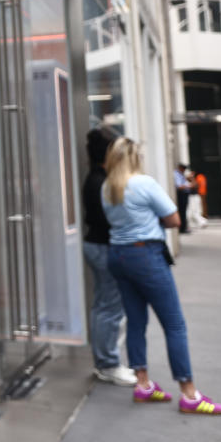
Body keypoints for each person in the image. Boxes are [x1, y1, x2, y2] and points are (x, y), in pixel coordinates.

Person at [102, 138, 221, 415]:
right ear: (135, 158)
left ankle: (143, 384)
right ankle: (189, 394)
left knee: (135, 322)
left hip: (118, 256)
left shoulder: (107, 187)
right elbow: (174, 220)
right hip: (145, 256)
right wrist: (147, 222)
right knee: (175, 325)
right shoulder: (144, 183)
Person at [82, 129, 136, 386]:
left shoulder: (98, 179)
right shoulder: (101, 182)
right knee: (109, 308)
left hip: (98, 246)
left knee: (104, 305)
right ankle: (107, 363)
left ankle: (105, 360)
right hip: (103, 247)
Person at [173, 163, 192, 234]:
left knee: (184, 212)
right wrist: (189, 186)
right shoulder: (176, 174)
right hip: (181, 194)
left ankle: (184, 227)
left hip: (184, 194)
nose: (184, 170)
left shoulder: (181, 174)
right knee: (182, 212)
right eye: (183, 168)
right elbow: (179, 186)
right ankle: (182, 228)